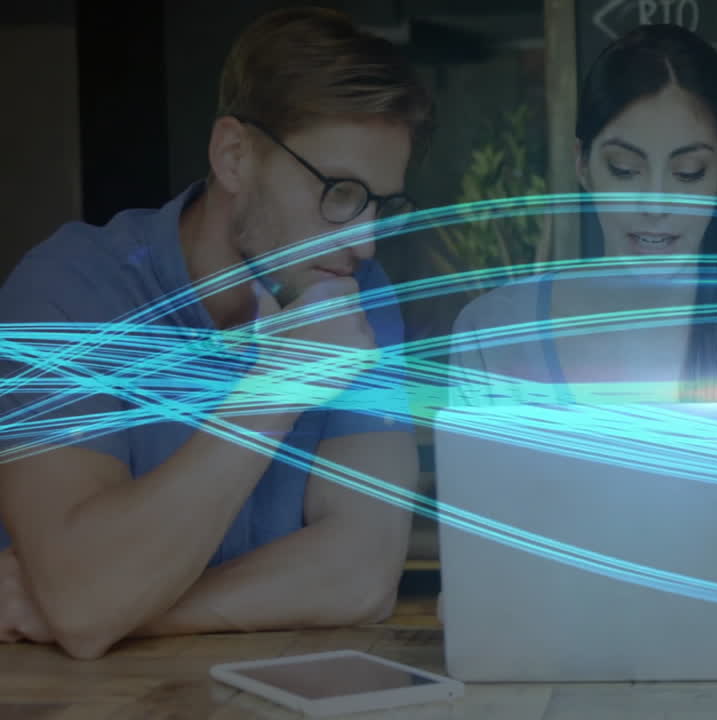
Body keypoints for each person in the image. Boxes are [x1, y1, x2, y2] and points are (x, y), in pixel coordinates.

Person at [0, 7, 431, 658]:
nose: (364, 241)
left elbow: (360, 576)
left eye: (380, 204)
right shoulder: (69, 290)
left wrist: (123, 609)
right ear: (234, 157)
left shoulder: (357, 299)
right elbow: (88, 605)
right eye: (340, 192)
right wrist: (276, 391)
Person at [448, 23, 717, 607]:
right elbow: (476, 579)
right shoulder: (494, 334)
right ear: (582, 163)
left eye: (687, 173)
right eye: (625, 170)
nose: (655, 202)